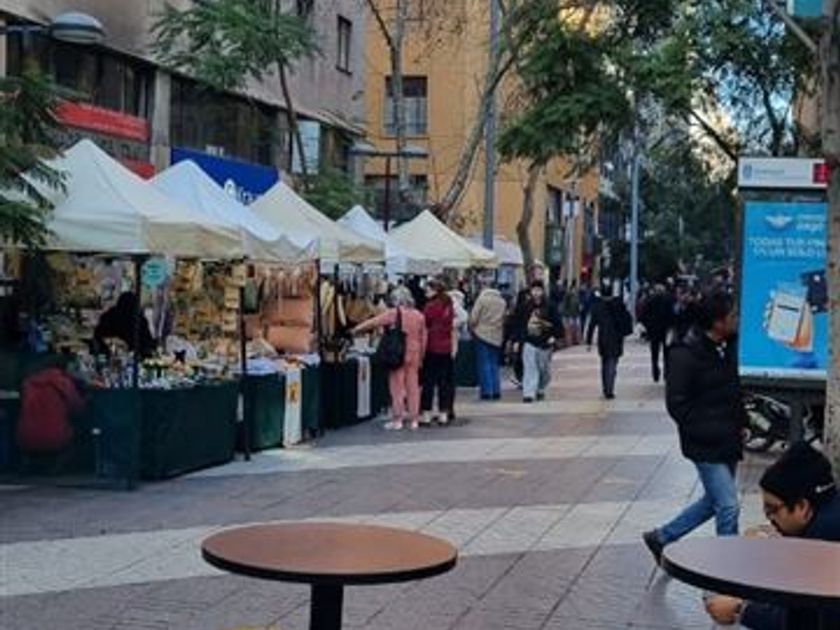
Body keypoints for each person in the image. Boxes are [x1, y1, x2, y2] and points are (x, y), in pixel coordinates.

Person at [642, 291, 744, 562]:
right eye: (732, 315)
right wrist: (705, 429)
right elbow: (677, 404)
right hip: (705, 443)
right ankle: (729, 567)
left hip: (728, 438)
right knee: (728, 506)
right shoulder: (685, 353)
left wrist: (740, 421)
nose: (737, 319)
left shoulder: (727, 347)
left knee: (713, 501)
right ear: (717, 321)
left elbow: (732, 390)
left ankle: (662, 536)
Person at [704, 442, 840, 629]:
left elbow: (797, 620)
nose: (769, 518)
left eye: (773, 509)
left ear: (802, 506)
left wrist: (739, 610)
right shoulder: (831, 512)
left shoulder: (821, 544)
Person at [352, 291, 427, 430]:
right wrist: (421, 356)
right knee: (413, 388)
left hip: (397, 353)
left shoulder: (394, 313)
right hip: (414, 354)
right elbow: (424, 338)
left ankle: (398, 419)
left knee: (397, 387)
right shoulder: (419, 316)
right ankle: (414, 419)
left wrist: (356, 329)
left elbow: (374, 322)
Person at [512, 280, 563, 403]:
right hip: (529, 341)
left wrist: (554, 336)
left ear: (543, 291)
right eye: (534, 290)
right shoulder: (524, 306)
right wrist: (516, 340)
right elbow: (518, 324)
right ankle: (528, 393)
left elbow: (558, 324)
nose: (536, 293)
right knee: (530, 367)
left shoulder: (550, 306)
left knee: (543, 370)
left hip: (545, 342)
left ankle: (540, 388)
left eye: (538, 290)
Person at [586, 283, 632, 399]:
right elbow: (626, 318)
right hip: (617, 338)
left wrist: (589, 341)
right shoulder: (618, 304)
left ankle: (606, 388)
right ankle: (610, 388)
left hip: (603, 338)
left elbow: (592, 324)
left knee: (604, 363)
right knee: (613, 363)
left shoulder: (597, 306)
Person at [420, 279, 456, 425]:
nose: (425, 292)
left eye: (427, 290)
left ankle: (426, 414)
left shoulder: (430, 306)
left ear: (435, 290)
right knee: (444, 383)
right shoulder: (448, 305)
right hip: (446, 347)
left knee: (428, 382)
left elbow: (424, 323)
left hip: (431, 347)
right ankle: (443, 414)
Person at [469, 278, 507, 400]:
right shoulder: (502, 301)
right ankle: (496, 390)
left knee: (483, 363)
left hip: (482, 334)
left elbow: (473, 317)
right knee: (494, 363)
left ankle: (486, 391)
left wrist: (472, 327)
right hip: (497, 335)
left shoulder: (482, 299)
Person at [93, 291, 155, 358]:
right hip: (133, 356)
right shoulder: (139, 320)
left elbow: (98, 335)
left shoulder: (109, 316)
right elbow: (147, 342)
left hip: (107, 354)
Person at [640, 283, 675, 383]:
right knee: (667, 352)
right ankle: (667, 372)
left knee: (654, 352)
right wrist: (671, 326)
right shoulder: (669, 299)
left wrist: (648, 326)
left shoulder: (650, 300)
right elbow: (672, 314)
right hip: (665, 329)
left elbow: (643, 315)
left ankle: (655, 371)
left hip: (654, 330)